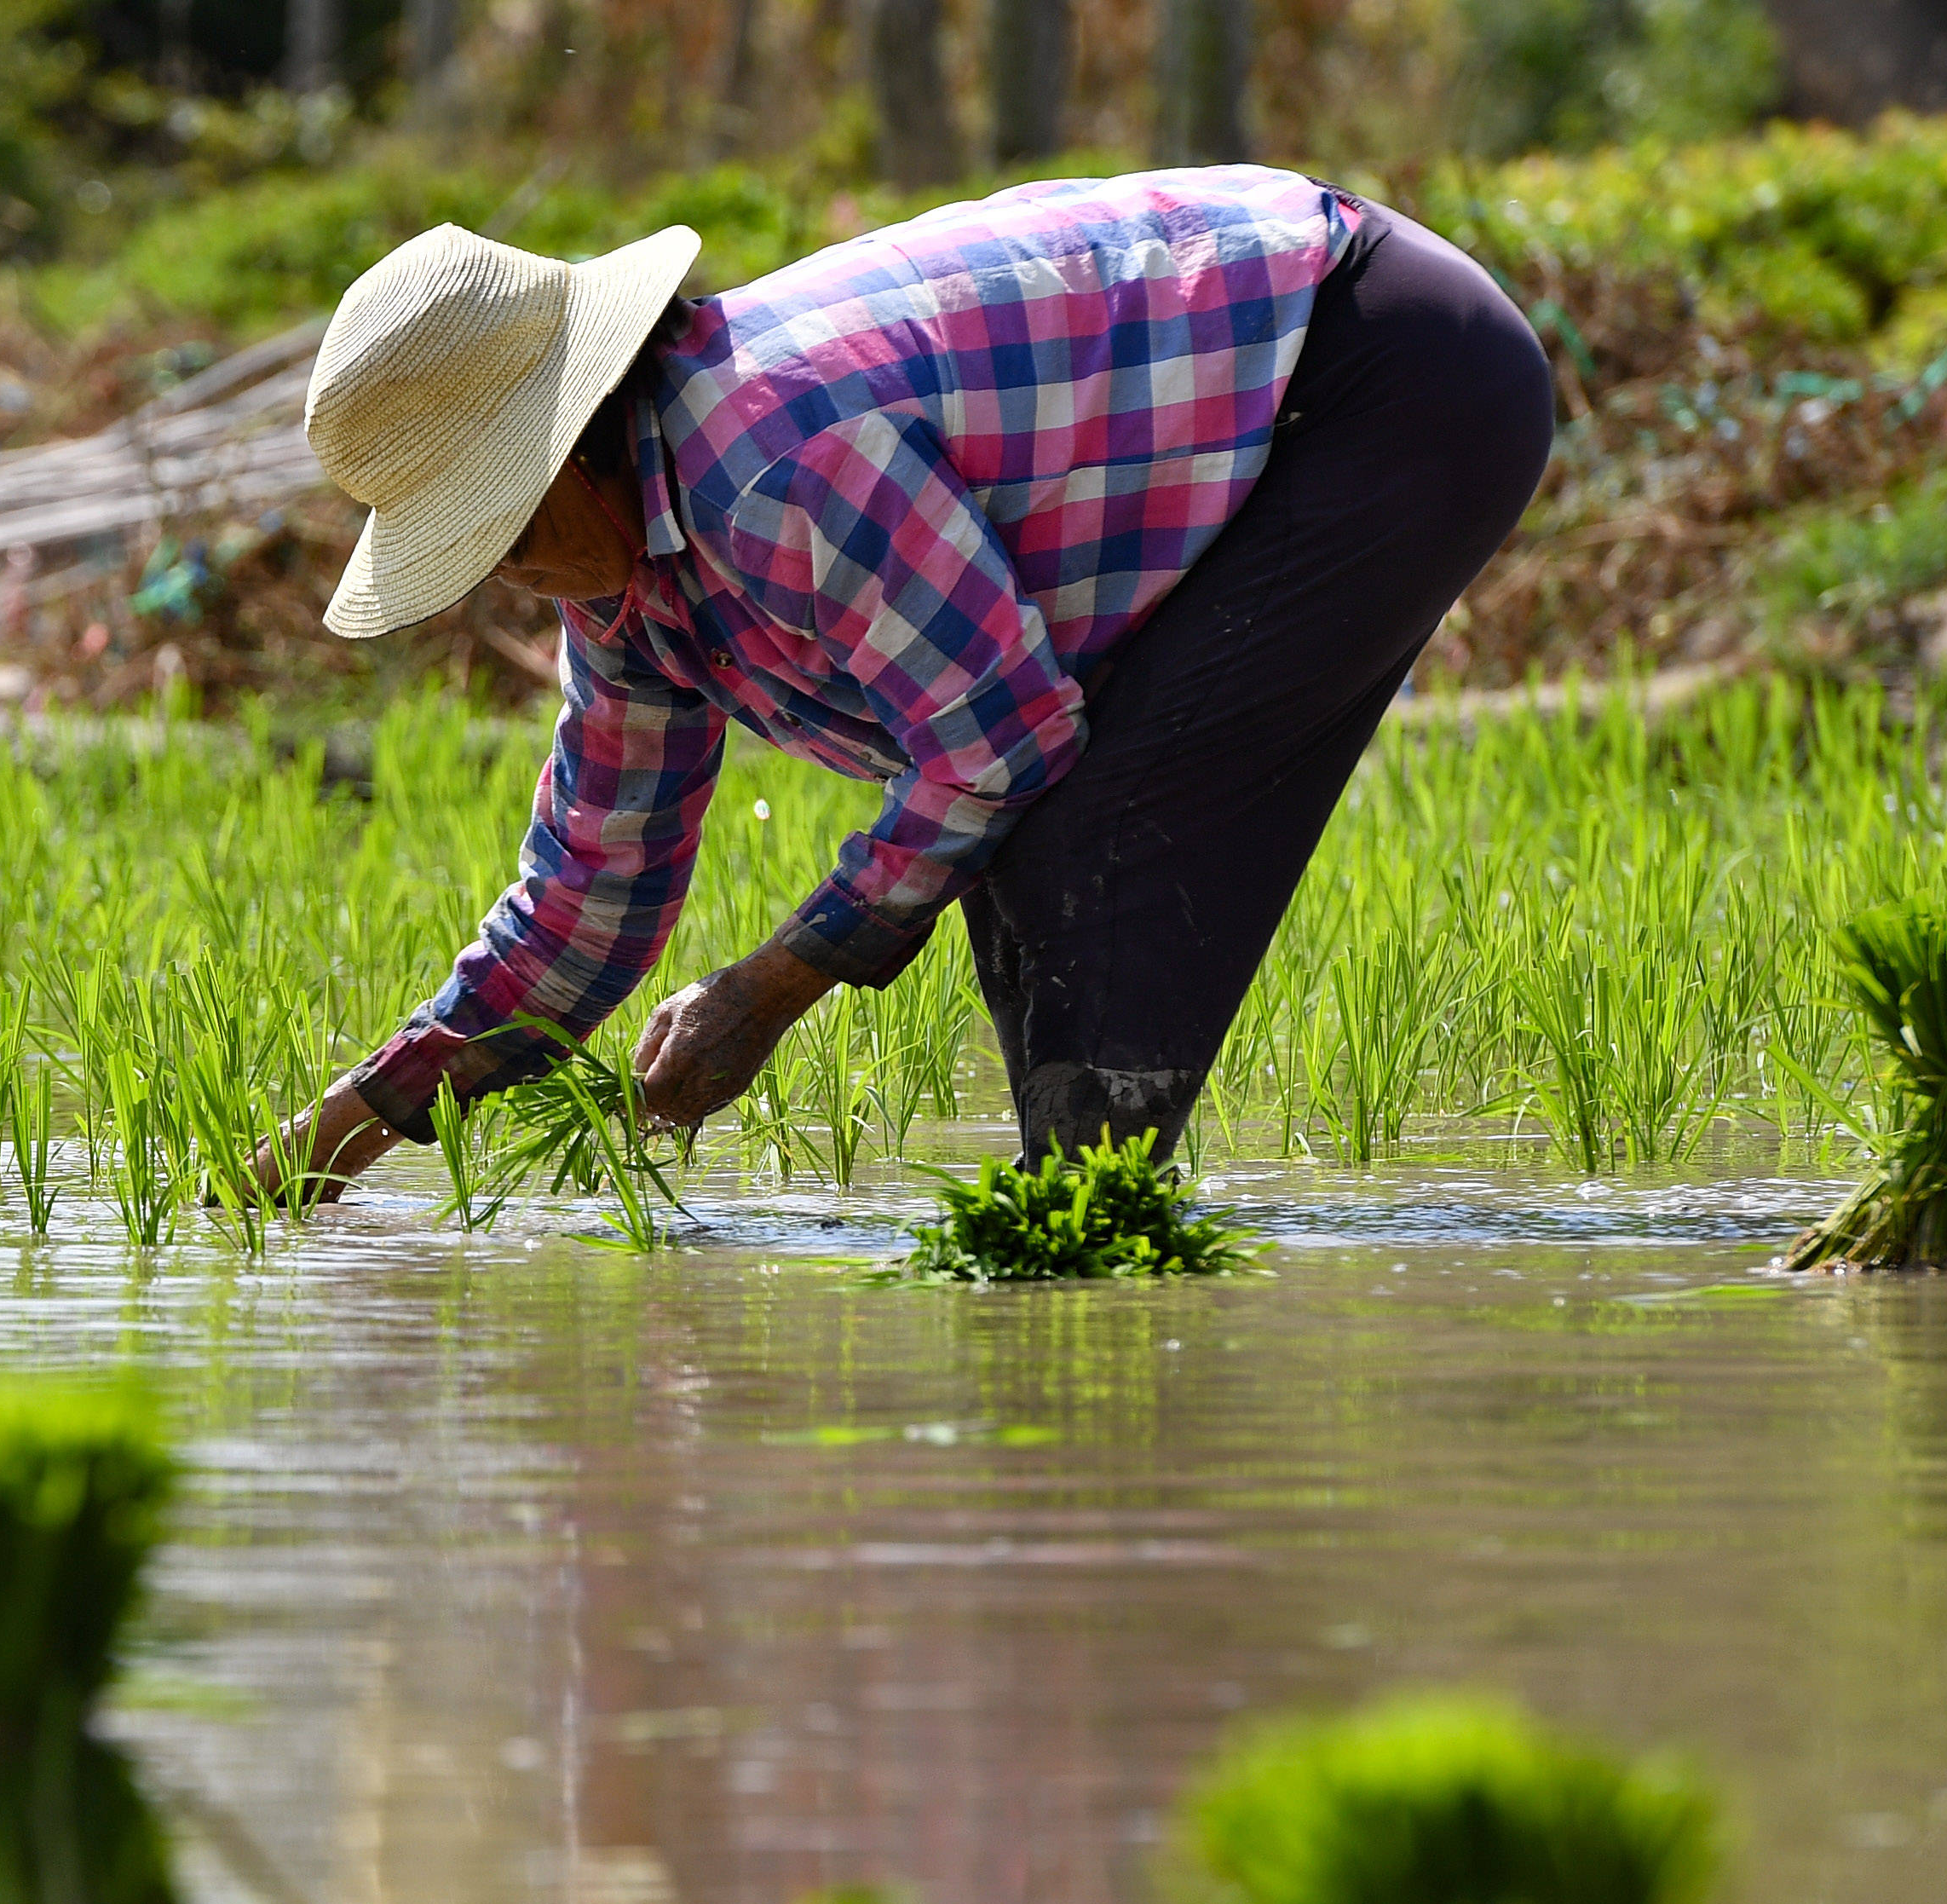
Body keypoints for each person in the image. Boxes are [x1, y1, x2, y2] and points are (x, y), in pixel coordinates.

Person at [247, 169, 1552, 1197]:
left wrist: (768, 988)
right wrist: (353, 1119)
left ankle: (1091, 1269)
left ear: (576, 443)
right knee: (1035, 850)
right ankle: (1091, 1236)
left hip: (1380, 370)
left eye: (505, 532)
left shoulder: (775, 460)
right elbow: (591, 887)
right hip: (1303, 385)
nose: (512, 580)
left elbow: (999, 744)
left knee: (1084, 841)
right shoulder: (629, 583)